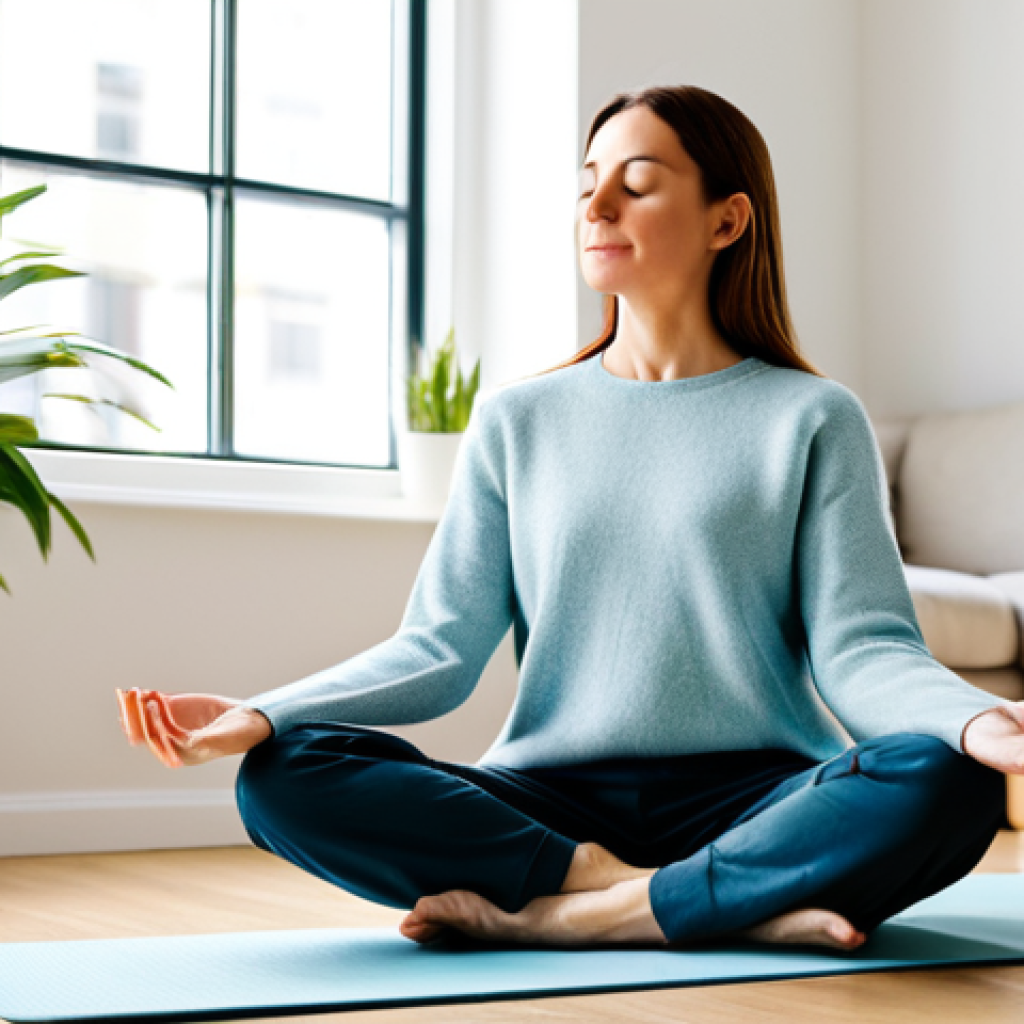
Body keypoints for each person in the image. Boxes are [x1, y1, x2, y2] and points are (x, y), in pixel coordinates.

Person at [116, 85, 1024, 953]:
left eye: (635, 185)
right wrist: (265, 714)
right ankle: (676, 894)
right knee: (284, 778)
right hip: (550, 801)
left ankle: (582, 916)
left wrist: (979, 720)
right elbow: (438, 649)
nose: (598, 210)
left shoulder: (812, 417)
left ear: (726, 220)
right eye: (588, 186)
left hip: (758, 791)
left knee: (948, 779)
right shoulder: (520, 420)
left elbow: (863, 647)